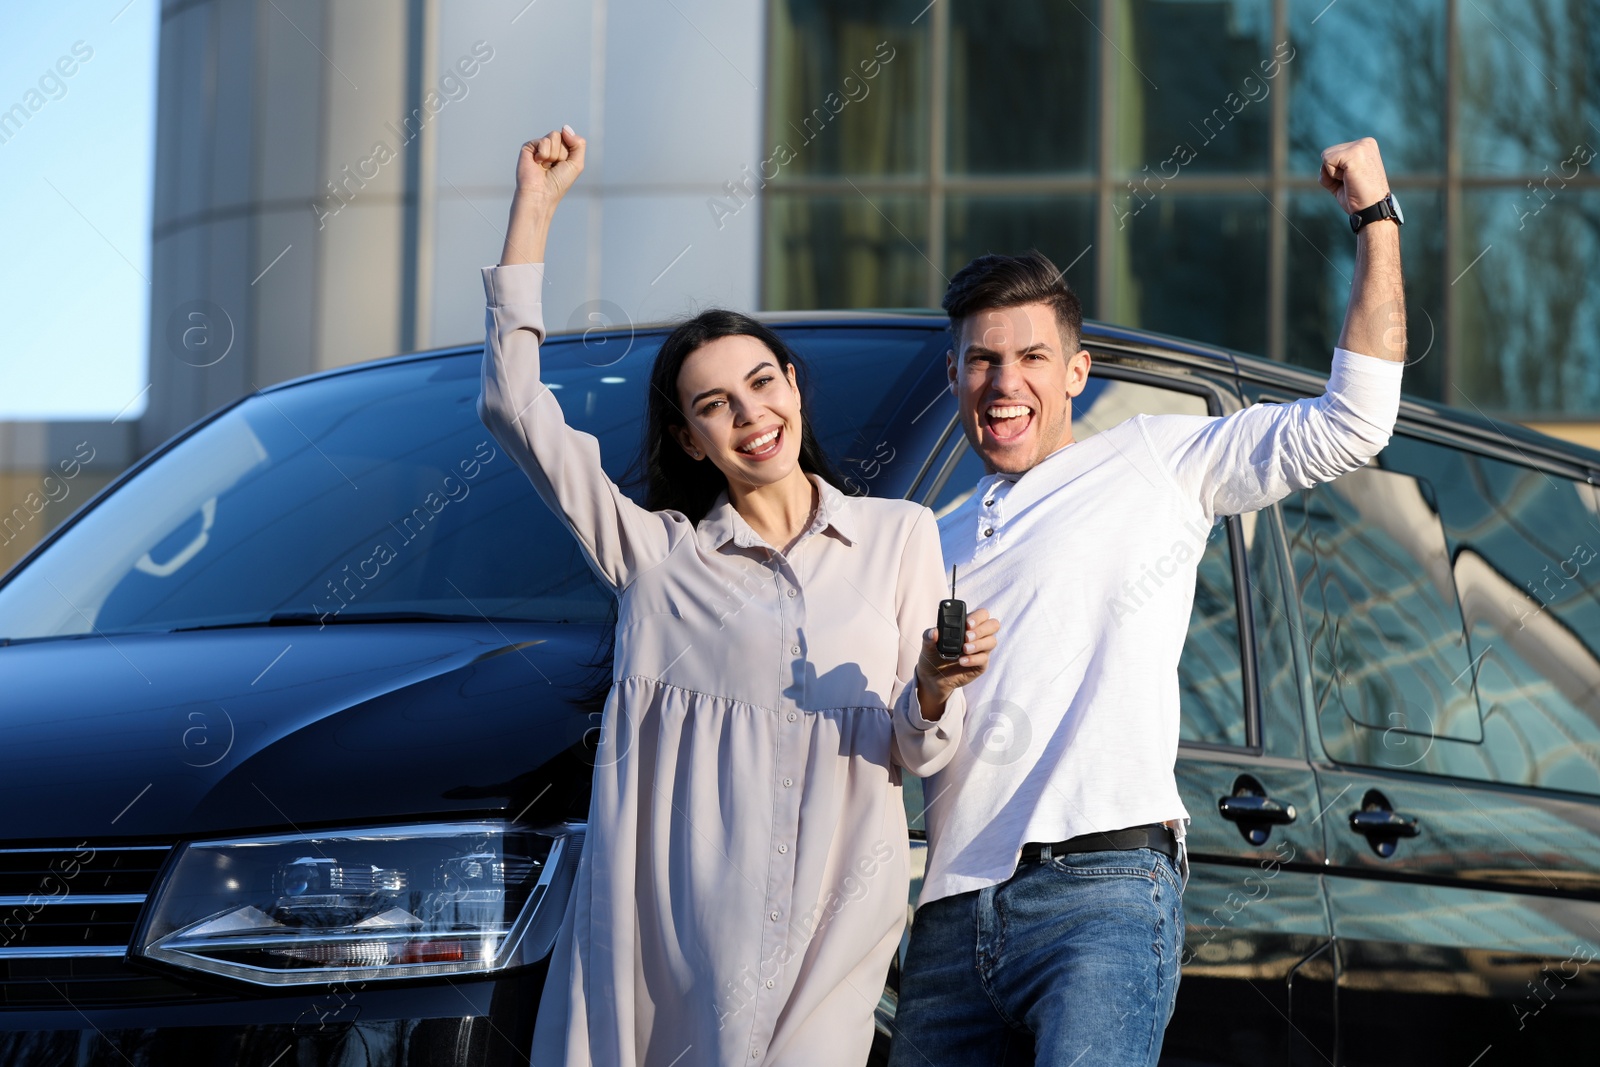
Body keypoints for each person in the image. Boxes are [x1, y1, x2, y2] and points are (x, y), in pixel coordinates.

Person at [477, 126, 1001, 1067]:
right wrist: (536, 209)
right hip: (684, 943)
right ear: (689, 439)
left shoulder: (898, 536)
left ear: (795, 388)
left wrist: (931, 686)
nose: (749, 412)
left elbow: (921, 746)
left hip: (838, 923)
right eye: (714, 403)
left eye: (762, 382)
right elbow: (516, 408)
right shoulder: (658, 559)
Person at [887, 137, 1407, 1066]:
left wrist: (1374, 219)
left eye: (1032, 357)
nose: (1005, 384)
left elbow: (1354, 422)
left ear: (1077, 374)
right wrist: (928, 688)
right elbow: (899, 741)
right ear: (957, 375)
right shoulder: (929, 539)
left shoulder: (1159, 458)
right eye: (980, 361)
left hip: (1104, 889)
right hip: (951, 910)